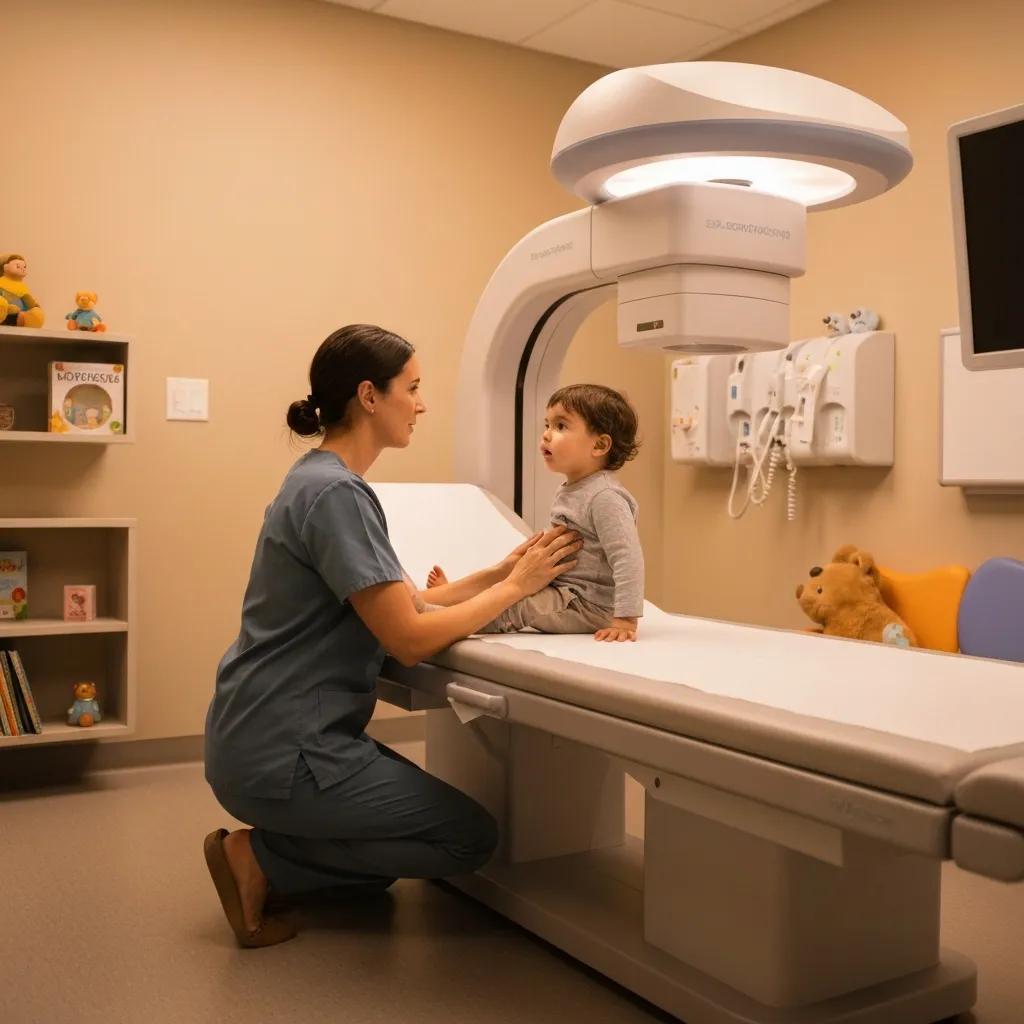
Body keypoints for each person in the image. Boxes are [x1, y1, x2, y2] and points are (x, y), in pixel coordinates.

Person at [203, 324, 581, 948]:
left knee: (372, 877)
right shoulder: (336, 495)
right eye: (413, 387)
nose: (422, 403)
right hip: (284, 750)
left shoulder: (318, 479)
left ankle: (282, 854)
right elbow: (407, 638)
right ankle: (259, 858)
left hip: (255, 731)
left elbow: (406, 601)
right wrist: (516, 591)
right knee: (468, 838)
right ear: (369, 396)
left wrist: (503, 569)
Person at [428, 384, 643, 642]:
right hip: (562, 589)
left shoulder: (605, 496)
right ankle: (450, 602)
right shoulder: (573, 488)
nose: (546, 435)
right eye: (547, 425)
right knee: (503, 590)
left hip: (586, 604)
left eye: (561, 426)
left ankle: (441, 617)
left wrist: (626, 619)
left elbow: (628, 558)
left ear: (599, 445)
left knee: (516, 607)